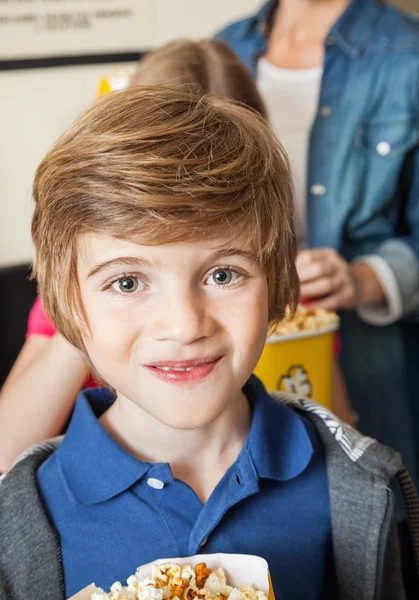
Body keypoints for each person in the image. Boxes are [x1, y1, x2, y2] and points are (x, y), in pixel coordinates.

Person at [0, 84, 417, 600]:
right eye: (127, 283)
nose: (184, 325)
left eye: (223, 275)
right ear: (69, 302)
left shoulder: (358, 483)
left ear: (279, 283)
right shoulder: (21, 516)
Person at [0, 39, 353, 473]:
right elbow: (8, 449)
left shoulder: (273, 272)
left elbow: (340, 429)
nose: (184, 325)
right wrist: (91, 316)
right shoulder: (85, 292)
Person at [216, 0, 419, 490]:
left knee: (373, 514)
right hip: (237, 342)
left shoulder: (408, 54)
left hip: (366, 352)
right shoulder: (226, 45)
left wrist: (361, 279)